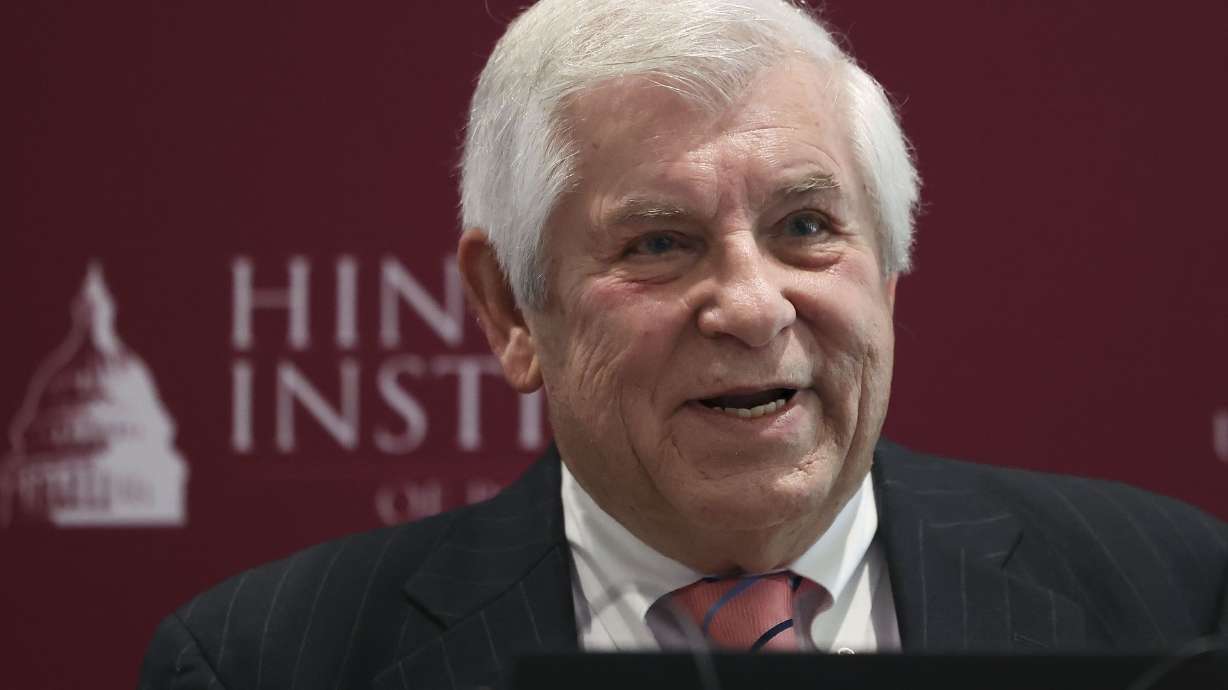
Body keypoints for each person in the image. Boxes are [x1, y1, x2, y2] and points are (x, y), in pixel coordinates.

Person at [139, 0, 1228, 687]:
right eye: (659, 242)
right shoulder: (264, 662)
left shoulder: (1174, 598)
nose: (753, 307)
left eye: (806, 227)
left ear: (888, 272)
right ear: (511, 311)